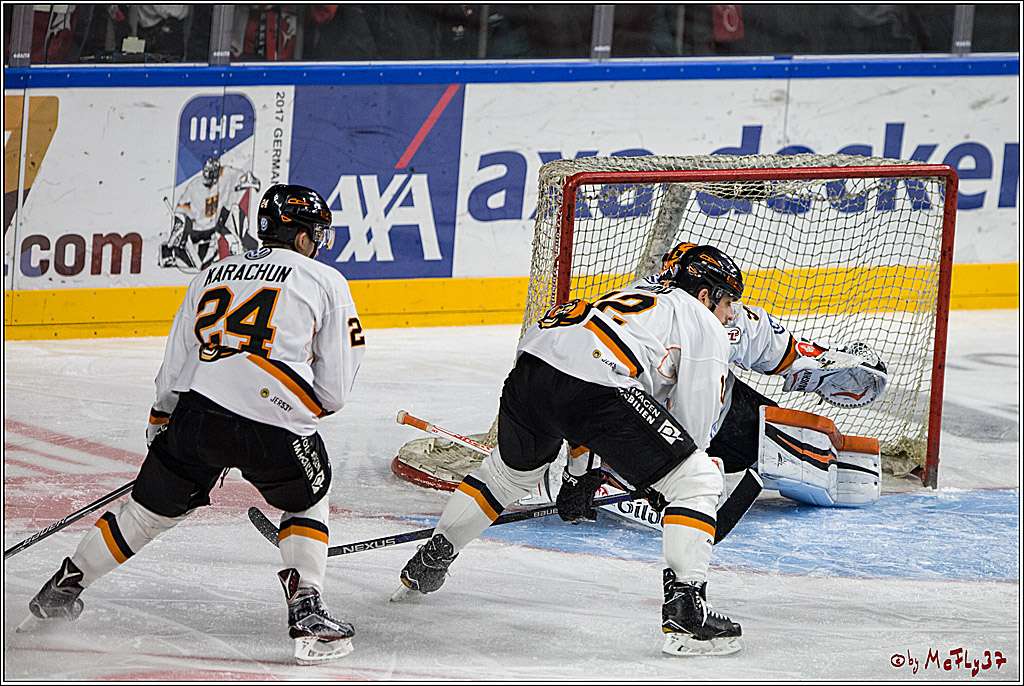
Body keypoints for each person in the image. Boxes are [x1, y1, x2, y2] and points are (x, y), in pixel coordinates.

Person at [21, 184, 365, 666]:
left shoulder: (212, 271)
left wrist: (163, 421)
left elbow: (177, 359)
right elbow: (336, 389)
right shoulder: (324, 280)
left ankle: (61, 589)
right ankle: (306, 606)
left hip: (197, 416)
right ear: (303, 236)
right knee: (308, 497)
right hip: (272, 423)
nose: (318, 242)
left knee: (144, 514)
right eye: (315, 234)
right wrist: (299, 413)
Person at [395, 245, 746, 657]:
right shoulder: (701, 321)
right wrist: (667, 480)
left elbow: (580, 388)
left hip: (531, 374)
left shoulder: (637, 298)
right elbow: (691, 428)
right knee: (697, 478)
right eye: (727, 303)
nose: (729, 315)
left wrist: (578, 475)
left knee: (508, 475)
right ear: (705, 295)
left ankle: (433, 557)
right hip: (593, 385)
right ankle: (687, 612)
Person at [161, 157, 261, 272]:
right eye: (207, 175)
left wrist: (249, 181)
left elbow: (243, 177)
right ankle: (171, 251)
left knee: (234, 212)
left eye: (212, 176)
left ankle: (247, 249)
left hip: (216, 226)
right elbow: (181, 212)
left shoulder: (226, 174)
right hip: (198, 232)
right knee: (201, 264)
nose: (208, 180)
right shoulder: (194, 186)